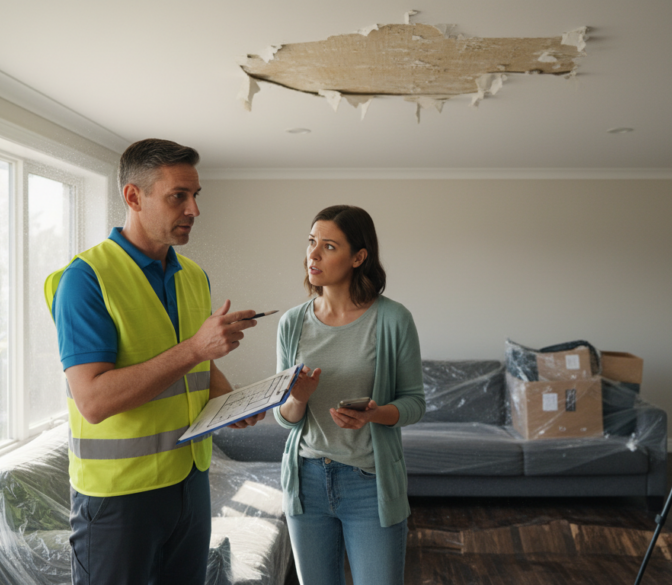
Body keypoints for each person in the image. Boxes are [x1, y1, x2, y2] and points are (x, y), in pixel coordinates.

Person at [44, 138, 265, 585]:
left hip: (189, 483)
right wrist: (197, 349)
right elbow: (93, 400)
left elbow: (196, 367)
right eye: (178, 196)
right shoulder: (85, 281)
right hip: (119, 497)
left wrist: (231, 401)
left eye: (195, 195)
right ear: (133, 197)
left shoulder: (193, 276)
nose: (194, 210)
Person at [274, 205, 425, 585]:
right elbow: (284, 416)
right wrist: (300, 398)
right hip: (306, 480)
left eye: (328, 246)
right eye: (311, 242)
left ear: (359, 257)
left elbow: (414, 402)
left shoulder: (393, 319)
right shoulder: (292, 323)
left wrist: (375, 414)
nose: (313, 254)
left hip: (368, 482)